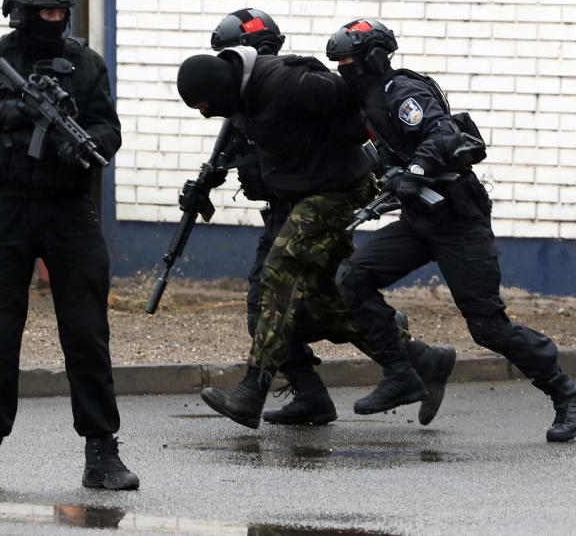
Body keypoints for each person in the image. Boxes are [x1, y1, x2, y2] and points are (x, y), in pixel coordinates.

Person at [327, 19, 576, 442]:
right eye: (340, 63)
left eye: (350, 62)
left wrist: (416, 170)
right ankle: (406, 370)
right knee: (353, 277)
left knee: (487, 326)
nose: (346, 70)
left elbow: (442, 132)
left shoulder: (402, 93)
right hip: (420, 220)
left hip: (457, 219)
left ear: (375, 58)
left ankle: (569, 393)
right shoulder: (367, 102)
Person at [175, 42, 456, 430]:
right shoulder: (243, 100)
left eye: (203, 104)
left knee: (279, 270)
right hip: (306, 196)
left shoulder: (285, 81)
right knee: (325, 302)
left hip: (338, 190)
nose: (204, 114)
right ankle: (418, 361)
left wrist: (372, 148)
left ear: (219, 90)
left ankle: (251, 392)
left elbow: (354, 96)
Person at [0, 0, 139, 491]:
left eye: (61, 14)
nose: (54, 21)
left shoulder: (85, 65)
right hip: (6, 211)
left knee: (88, 333)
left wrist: (81, 143)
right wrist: (3, 110)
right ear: (21, 12)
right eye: (45, 13)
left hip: (69, 211)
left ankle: (103, 453)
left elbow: (108, 130)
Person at [207, 8, 336, 425]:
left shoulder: (290, 87)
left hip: (310, 214)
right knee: (268, 306)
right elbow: (233, 152)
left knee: (309, 307)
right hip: (279, 214)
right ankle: (311, 394)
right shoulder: (245, 99)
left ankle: (411, 352)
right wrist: (205, 182)